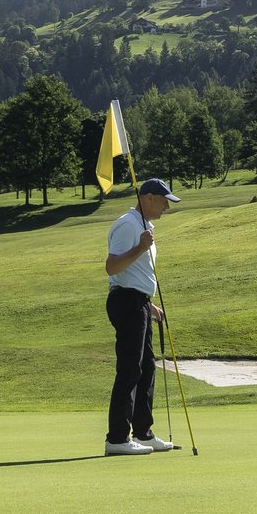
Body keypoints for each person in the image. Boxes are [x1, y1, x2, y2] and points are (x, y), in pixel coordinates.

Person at [103, 177, 182, 455]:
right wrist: (140, 247)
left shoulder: (145, 226)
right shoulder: (128, 224)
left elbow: (135, 274)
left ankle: (143, 432)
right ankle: (117, 439)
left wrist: (149, 306)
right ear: (147, 197)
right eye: (163, 202)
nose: (166, 208)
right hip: (125, 302)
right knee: (130, 368)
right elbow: (112, 268)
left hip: (139, 303)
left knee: (146, 367)